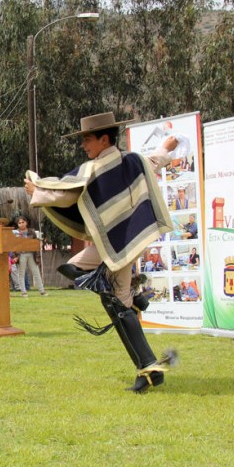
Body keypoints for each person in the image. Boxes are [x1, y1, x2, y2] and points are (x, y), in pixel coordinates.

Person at [24, 112, 179, 393]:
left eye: (87, 139)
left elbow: (65, 193)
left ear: (103, 139)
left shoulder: (94, 170)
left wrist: (38, 190)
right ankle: (146, 357)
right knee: (113, 299)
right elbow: (154, 160)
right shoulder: (132, 161)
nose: (84, 145)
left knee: (78, 271)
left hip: (116, 246)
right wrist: (167, 147)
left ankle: (137, 313)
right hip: (126, 244)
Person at [13, 215, 47, 298]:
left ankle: (42, 291)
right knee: (21, 274)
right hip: (21, 255)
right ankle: (23, 292)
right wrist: (15, 256)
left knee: (36, 272)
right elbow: (13, 245)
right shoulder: (15, 233)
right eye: (19, 223)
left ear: (26, 223)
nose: (21, 224)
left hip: (31, 254)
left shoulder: (32, 232)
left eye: (22, 222)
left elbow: (36, 244)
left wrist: (37, 256)